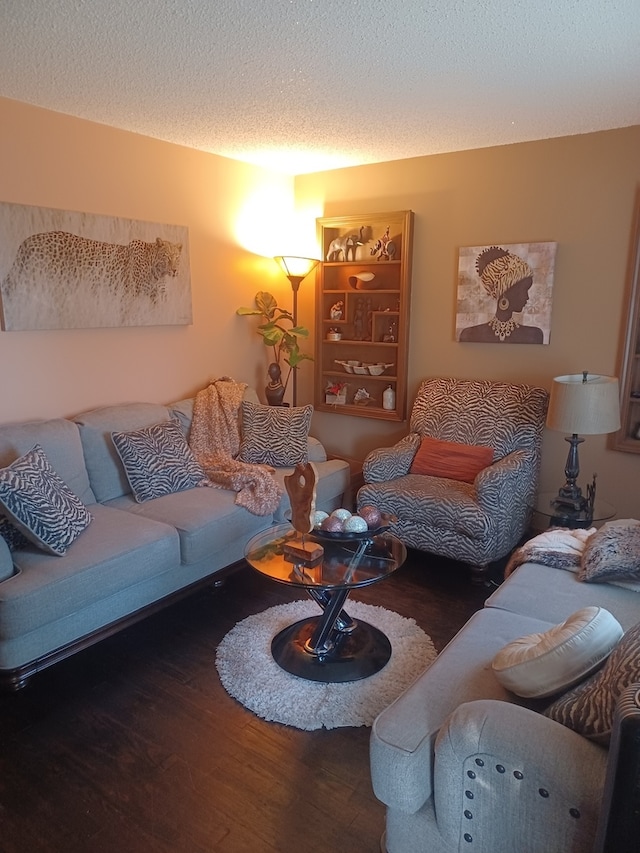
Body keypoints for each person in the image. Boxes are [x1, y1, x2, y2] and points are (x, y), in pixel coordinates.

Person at [459, 246, 543, 343]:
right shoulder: (470, 335)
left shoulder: (534, 335)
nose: (527, 297)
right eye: (524, 290)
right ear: (505, 291)